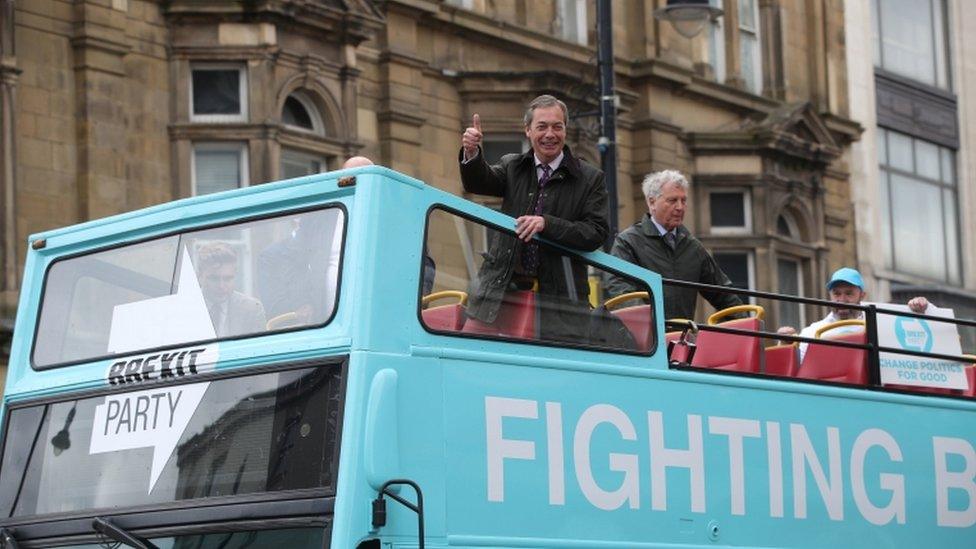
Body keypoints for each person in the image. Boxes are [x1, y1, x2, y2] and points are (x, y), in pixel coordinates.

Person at [459, 94, 609, 340]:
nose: (550, 134)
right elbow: (478, 182)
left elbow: (596, 233)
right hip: (499, 294)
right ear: (527, 130)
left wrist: (546, 224)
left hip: (559, 304)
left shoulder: (591, 178)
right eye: (542, 127)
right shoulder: (513, 166)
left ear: (565, 130)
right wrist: (472, 152)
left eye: (557, 127)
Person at [605, 169, 742, 321]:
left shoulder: (693, 247)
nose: (680, 207)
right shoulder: (628, 243)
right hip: (645, 342)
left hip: (682, 340)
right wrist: (650, 326)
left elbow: (724, 295)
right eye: (672, 200)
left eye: (683, 201)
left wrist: (748, 327)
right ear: (651, 202)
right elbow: (620, 292)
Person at [777, 267, 931, 361]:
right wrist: (785, 344)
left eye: (849, 293)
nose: (842, 299)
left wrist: (921, 307)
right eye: (836, 294)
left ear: (862, 295)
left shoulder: (880, 323)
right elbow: (797, 366)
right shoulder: (813, 331)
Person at [196, 242, 266, 337]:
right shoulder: (184, 309)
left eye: (228, 279)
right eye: (214, 278)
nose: (221, 286)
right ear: (200, 275)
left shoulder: (252, 309)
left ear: (235, 275)